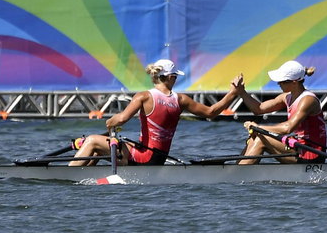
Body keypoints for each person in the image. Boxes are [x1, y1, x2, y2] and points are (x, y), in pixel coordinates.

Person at [70, 59, 237, 166]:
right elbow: (211, 112)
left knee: (91, 140)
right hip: (158, 158)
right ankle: (85, 177)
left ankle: (70, 175)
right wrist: (232, 93)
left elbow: (120, 120)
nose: (176, 79)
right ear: (169, 77)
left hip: (143, 158)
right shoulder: (181, 100)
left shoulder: (143, 97)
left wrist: (109, 123)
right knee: (99, 148)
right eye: (175, 76)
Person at [231, 60, 327, 164]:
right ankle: (238, 168)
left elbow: (288, 128)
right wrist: (241, 92)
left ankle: (238, 174)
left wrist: (258, 128)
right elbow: (258, 109)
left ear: (294, 82)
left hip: (312, 154)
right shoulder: (286, 97)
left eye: (282, 81)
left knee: (261, 138)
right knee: (256, 136)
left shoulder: (308, 100)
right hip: (297, 147)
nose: (278, 84)